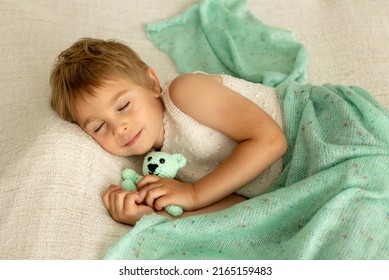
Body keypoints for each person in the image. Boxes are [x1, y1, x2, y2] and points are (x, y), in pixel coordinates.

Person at [50, 38, 287, 225]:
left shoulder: (184, 93)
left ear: (152, 83)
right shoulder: (160, 167)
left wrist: (194, 193)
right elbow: (241, 205)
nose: (119, 128)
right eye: (99, 127)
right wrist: (148, 217)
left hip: (307, 129)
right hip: (288, 183)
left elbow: (272, 140)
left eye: (124, 105)